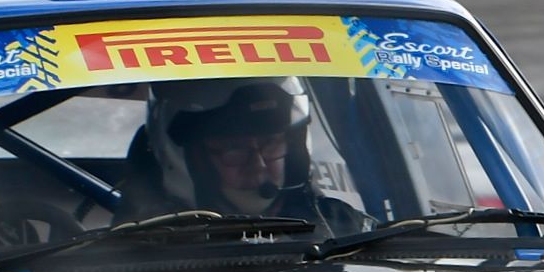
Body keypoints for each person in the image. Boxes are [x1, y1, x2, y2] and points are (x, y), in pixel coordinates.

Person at [123, 79, 371, 236]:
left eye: (270, 144)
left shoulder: (343, 229)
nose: (258, 165)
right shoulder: (149, 249)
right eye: (235, 149)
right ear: (190, 160)